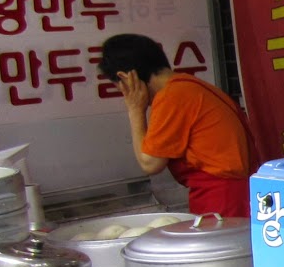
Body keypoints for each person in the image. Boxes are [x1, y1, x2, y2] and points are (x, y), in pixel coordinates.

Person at [97, 34, 257, 218]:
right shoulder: (191, 85)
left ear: (125, 78)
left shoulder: (172, 96)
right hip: (238, 191)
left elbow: (150, 163)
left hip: (223, 198)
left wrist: (135, 110)